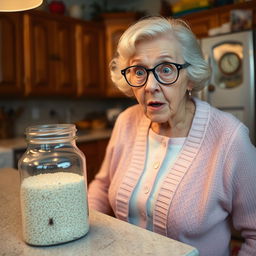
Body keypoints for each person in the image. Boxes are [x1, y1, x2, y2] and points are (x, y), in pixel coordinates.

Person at [88, 16, 256, 255]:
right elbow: (102, 187)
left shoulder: (229, 138)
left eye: (166, 69)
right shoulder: (126, 121)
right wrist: (84, 231)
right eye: (138, 71)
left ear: (190, 77)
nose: (150, 85)